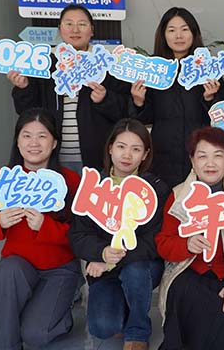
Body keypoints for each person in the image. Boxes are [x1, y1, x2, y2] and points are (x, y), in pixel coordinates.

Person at [0, 108, 82, 350]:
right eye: (27, 135)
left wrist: (47, 226)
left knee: (35, 334)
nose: (34, 143)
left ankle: (59, 314)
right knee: (7, 272)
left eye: (42, 136)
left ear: (54, 143)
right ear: (17, 141)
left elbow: (81, 234)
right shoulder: (3, 179)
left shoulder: (69, 181)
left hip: (59, 269)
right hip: (17, 267)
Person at [155, 126, 224, 349]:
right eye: (202, 156)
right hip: (188, 271)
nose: (210, 163)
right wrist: (186, 244)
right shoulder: (178, 195)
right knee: (186, 298)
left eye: (218, 155)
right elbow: (164, 243)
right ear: (192, 160)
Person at [68, 118, 170, 350]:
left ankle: (138, 332)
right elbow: (78, 234)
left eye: (136, 149)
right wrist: (101, 252)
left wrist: (112, 261)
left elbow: (154, 240)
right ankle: (126, 304)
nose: (127, 155)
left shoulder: (155, 188)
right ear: (110, 148)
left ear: (145, 155)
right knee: (103, 327)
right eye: (121, 146)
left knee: (135, 272)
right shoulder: (93, 185)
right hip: (103, 269)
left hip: (141, 266)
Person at [7, 4, 130, 173]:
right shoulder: (44, 65)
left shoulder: (106, 65)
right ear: (60, 29)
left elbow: (126, 111)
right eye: (69, 23)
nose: (75, 30)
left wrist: (104, 99)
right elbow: (26, 112)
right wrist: (24, 88)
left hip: (98, 159)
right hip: (51, 159)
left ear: (92, 30)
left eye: (82, 24)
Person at [130, 7, 224, 188]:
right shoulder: (153, 68)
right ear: (163, 35)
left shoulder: (208, 68)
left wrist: (209, 99)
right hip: (162, 156)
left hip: (201, 155)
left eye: (184, 29)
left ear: (194, 33)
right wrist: (138, 101)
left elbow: (222, 118)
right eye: (172, 30)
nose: (179, 36)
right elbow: (146, 118)